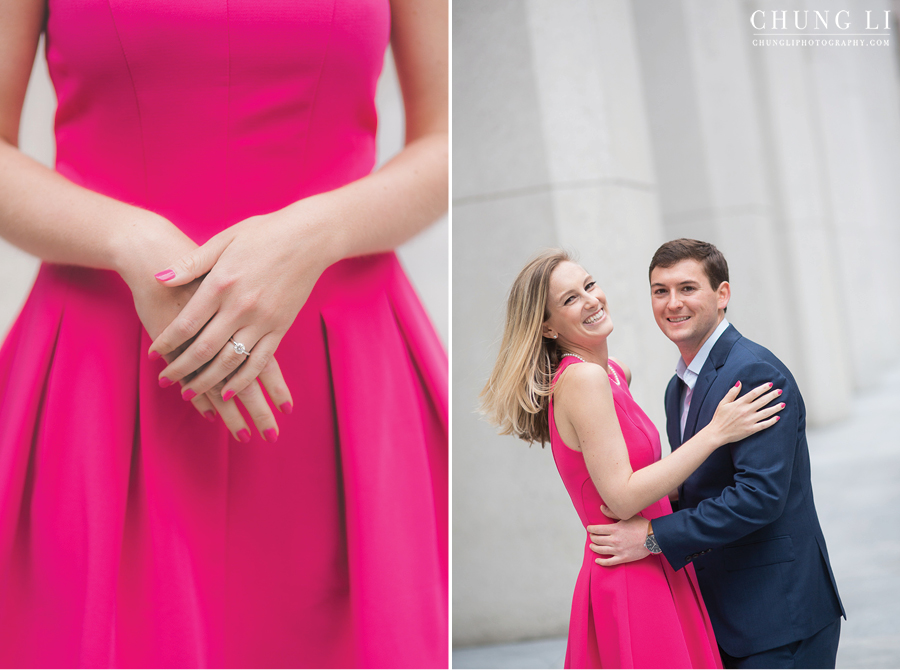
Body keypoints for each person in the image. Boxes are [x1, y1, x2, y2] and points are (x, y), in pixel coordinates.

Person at [0, 1, 447, 667]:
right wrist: (133, 241)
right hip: (105, 369)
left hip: (338, 373)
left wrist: (318, 231)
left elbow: (446, 138)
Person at [480, 249, 785, 669]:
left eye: (589, 285)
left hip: (657, 559)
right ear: (547, 327)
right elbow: (621, 498)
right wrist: (716, 433)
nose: (590, 300)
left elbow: (645, 476)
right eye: (570, 299)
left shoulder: (611, 373)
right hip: (631, 571)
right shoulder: (583, 379)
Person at [588, 239, 845, 669]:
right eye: (660, 291)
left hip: (779, 616)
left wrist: (652, 537)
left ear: (722, 295)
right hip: (723, 613)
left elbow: (758, 496)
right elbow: (701, 485)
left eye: (687, 288)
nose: (673, 304)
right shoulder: (678, 388)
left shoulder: (753, 372)